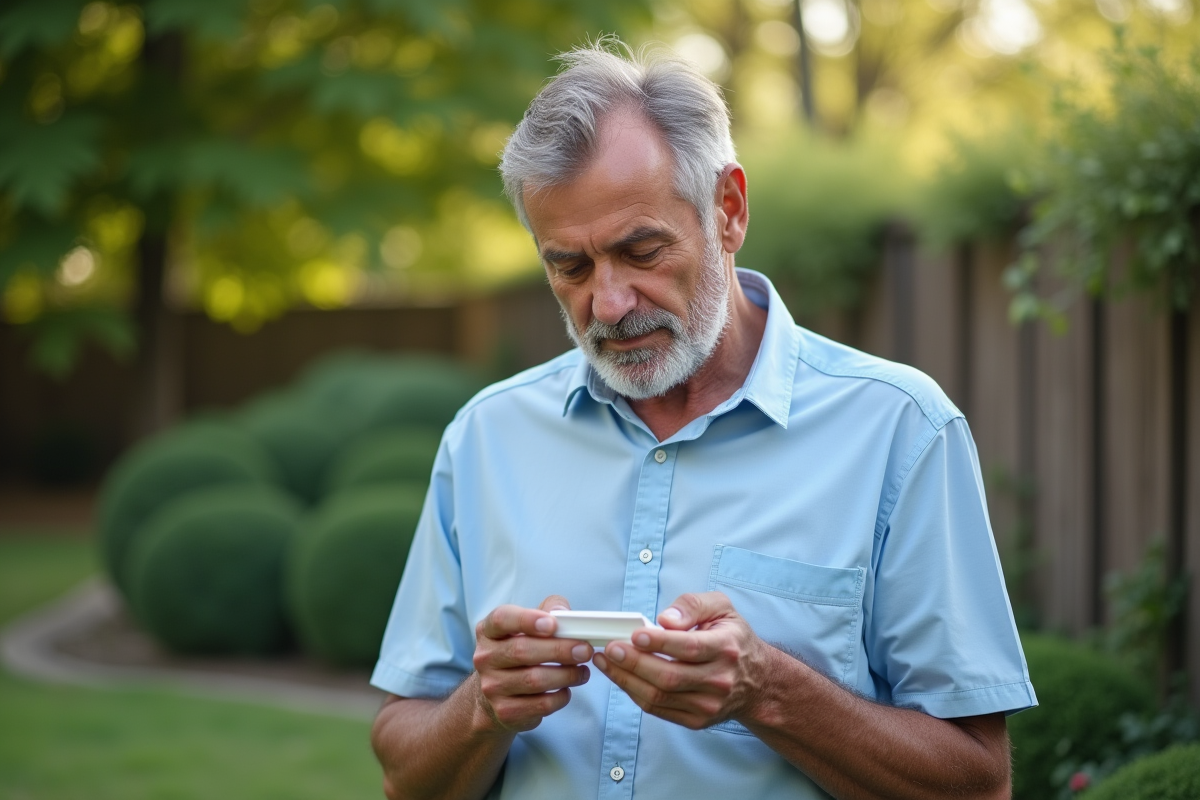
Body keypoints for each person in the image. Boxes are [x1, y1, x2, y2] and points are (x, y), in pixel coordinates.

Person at [369, 39, 1036, 800]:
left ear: (729, 210)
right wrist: (481, 708)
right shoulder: (486, 438)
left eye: (641, 250)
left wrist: (770, 691)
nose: (610, 303)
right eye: (571, 267)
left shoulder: (901, 431)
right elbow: (401, 764)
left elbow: (979, 785)